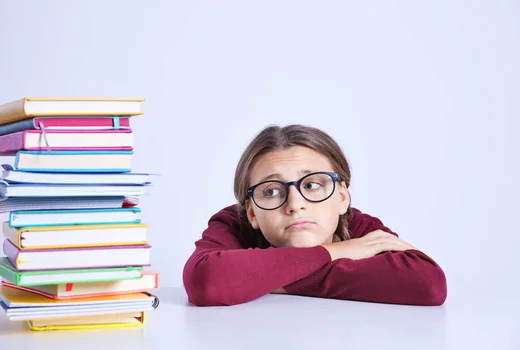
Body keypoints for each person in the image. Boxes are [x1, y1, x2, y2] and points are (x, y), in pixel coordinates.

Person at [182, 124, 447, 306]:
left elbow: (428, 284)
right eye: (272, 191)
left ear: (342, 197)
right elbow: (206, 281)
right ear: (251, 211)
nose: (295, 205)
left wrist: (260, 279)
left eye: (312, 185)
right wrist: (337, 251)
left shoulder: (360, 228)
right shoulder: (233, 223)